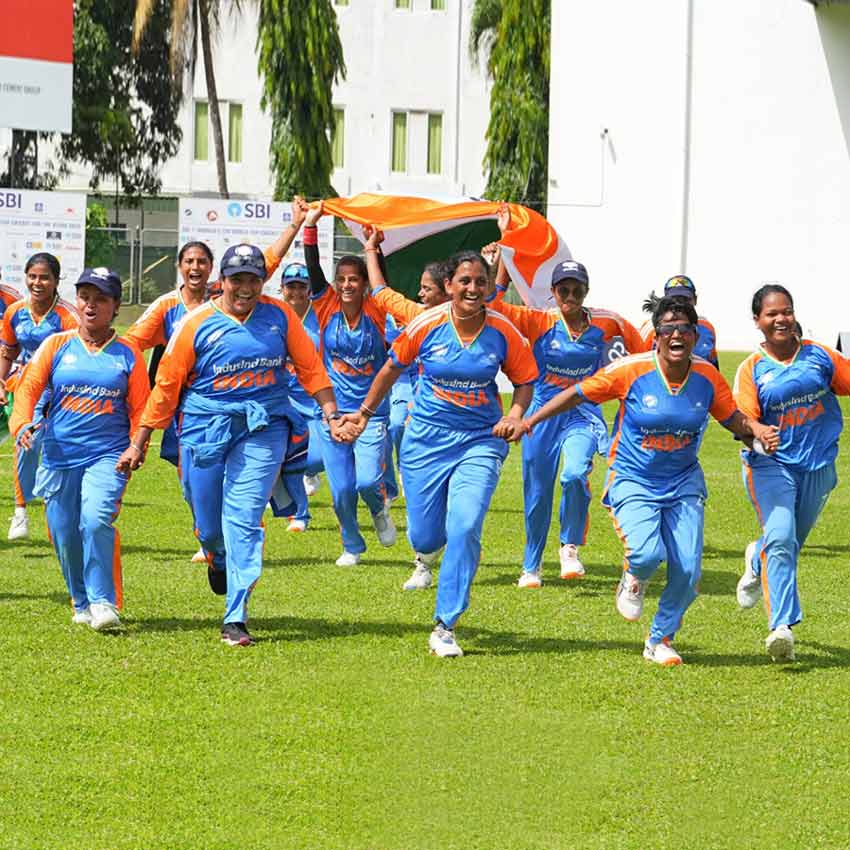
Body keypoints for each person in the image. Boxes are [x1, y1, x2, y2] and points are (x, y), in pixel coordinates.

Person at [515, 296, 777, 666]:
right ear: (656, 336)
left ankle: (660, 639)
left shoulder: (706, 377)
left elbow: (731, 417)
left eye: (684, 329)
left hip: (683, 482)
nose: (676, 335)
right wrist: (530, 420)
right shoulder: (631, 370)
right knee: (647, 554)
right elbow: (576, 394)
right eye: (668, 328)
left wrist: (756, 430)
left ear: (695, 335)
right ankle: (633, 577)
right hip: (633, 479)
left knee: (688, 570)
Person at [116, 243, 348, 647]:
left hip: (264, 426)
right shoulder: (195, 323)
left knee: (244, 516)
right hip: (204, 427)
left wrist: (331, 414)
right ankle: (216, 555)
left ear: (262, 281)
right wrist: (140, 441)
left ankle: (236, 615)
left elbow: (311, 368)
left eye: (253, 279)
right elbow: (167, 386)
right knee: (208, 524)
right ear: (221, 281)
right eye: (237, 279)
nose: (245, 288)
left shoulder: (279, 317)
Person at [342, 250, 538, 657]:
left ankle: (445, 625)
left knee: (465, 525)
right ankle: (427, 554)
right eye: (465, 281)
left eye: (480, 281)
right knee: (426, 536)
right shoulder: (426, 324)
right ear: (449, 286)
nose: (473, 288)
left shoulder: (502, 329)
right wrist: (363, 414)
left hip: (481, 440)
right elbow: (391, 369)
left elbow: (524, 380)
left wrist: (515, 415)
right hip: (425, 441)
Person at [487, 252, 646, 587]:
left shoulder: (608, 322)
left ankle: (569, 547)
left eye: (577, 290)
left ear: (586, 291)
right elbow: (493, 305)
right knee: (537, 493)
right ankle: (531, 566)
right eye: (563, 290)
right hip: (542, 414)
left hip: (582, 413)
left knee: (574, 473)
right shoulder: (539, 320)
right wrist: (502, 264)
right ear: (553, 292)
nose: (570, 297)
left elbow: (642, 352)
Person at [9, 268, 149, 630]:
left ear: (115, 306)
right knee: (63, 532)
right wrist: (22, 424)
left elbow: (141, 409)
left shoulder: (129, 354)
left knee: (96, 519)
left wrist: (136, 446)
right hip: (59, 455)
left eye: (100, 299)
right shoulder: (56, 345)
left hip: (108, 455)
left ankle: (103, 602)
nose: (90, 305)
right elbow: (28, 389)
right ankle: (81, 599)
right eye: (85, 296)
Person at [272, 200, 400, 567]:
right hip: (331, 414)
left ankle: (379, 508)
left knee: (366, 482)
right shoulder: (326, 305)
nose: (346, 285)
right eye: (340, 279)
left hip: (371, 414)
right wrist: (310, 226)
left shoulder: (376, 310)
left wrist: (372, 248)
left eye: (353, 279)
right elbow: (313, 269)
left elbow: (382, 283)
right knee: (342, 490)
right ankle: (352, 545)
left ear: (363, 284)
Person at [733, 285, 850, 662]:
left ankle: (756, 558)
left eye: (786, 311)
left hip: (817, 465)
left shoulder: (820, 356)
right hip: (771, 466)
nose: (781, 319)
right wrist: (757, 430)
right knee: (782, 538)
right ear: (758, 321)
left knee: (787, 542)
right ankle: (781, 627)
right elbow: (740, 419)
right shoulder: (752, 368)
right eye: (772, 314)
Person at [360, 228, 452, 588]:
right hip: (422, 417)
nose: (420, 293)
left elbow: (496, 294)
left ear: (447, 290)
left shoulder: (479, 320)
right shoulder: (416, 315)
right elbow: (381, 292)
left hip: (464, 429)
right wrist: (370, 249)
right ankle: (423, 562)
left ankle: (452, 561)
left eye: (427, 288)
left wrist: (502, 258)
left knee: (458, 506)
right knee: (419, 491)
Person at [0, 252, 79, 541]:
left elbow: (78, 357)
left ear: (56, 281)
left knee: (46, 445)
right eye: (32, 276)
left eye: (44, 277)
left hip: (55, 390)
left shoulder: (68, 317)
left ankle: (60, 511)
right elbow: (8, 350)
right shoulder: (15, 312)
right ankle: (20, 512)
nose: (37, 282)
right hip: (22, 387)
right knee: (26, 442)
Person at [274, 259, 326, 532]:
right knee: (288, 459)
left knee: (315, 458)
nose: (295, 292)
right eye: (290, 286)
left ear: (309, 289)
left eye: (301, 286)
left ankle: (312, 473)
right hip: (285, 401)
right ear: (282, 288)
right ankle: (300, 514)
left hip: (315, 401)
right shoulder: (275, 317)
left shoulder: (320, 318)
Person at [640, 276, 719, 368]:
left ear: (695, 300)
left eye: (686, 300)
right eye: (675, 299)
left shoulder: (706, 327)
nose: (681, 304)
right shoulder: (649, 328)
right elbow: (639, 364)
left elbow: (713, 363)